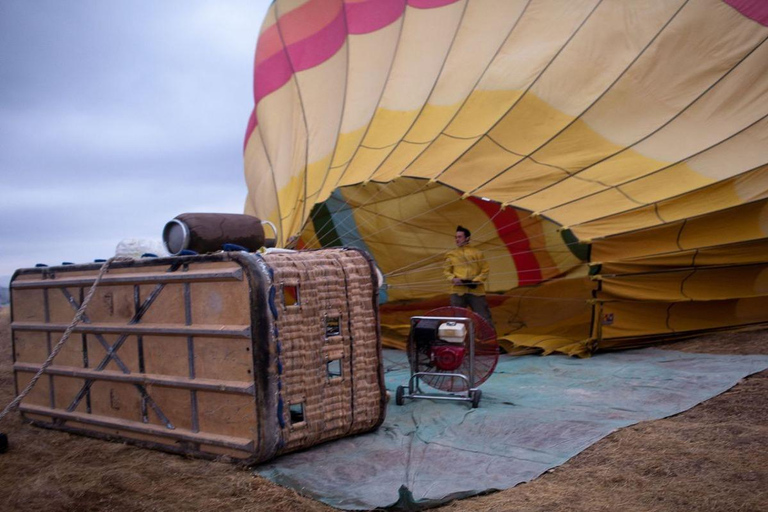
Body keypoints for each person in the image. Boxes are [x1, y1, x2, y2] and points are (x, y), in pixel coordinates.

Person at [443, 225, 494, 330]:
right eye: (456, 237)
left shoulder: (477, 253)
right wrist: (453, 278)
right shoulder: (451, 254)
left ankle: (489, 341)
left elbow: (485, 270)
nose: (457, 239)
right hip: (457, 291)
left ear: (467, 238)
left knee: (483, 317)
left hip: (476, 291)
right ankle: (460, 342)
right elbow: (446, 271)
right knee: (457, 318)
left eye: (460, 237)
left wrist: (475, 281)